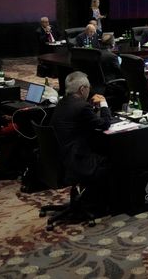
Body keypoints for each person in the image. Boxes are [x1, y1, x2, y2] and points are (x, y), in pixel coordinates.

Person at [50, 71, 111, 209]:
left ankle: (89, 198)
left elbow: (80, 117)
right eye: (88, 88)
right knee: (113, 158)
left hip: (59, 156)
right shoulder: (82, 107)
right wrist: (104, 103)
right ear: (82, 89)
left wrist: (90, 106)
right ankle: (100, 203)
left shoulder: (62, 102)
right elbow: (105, 124)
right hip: (76, 159)